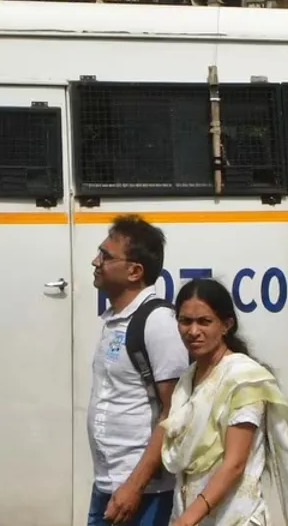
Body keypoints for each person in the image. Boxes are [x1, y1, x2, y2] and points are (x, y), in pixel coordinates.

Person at [158, 278, 288, 526]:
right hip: (190, 515)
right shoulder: (188, 381)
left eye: (204, 321)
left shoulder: (243, 379)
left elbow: (234, 464)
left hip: (235, 518)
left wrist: (187, 519)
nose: (193, 331)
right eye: (185, 321)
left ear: (226, 325)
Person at [88, 215, 186, 526]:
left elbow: (173, 413)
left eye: (106, 255)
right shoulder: (115, 319)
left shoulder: (158, 323)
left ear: (134, 271)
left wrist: (134, 486)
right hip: (108, 485)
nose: (95, 261)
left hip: (144, 494)